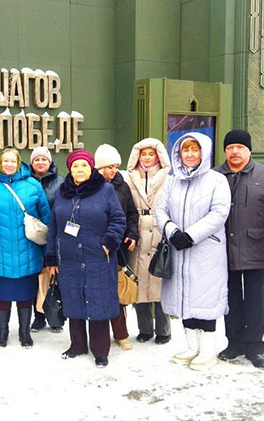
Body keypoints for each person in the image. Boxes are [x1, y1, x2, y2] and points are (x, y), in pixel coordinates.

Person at [155, 132, 230, 371]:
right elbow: (161, 210)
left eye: (194, 150)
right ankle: (191, 346)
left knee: (205, 298)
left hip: (205, 251)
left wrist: (191, 234)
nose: (189, 155)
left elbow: (219, 212)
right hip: (178, 248)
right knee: (183, 295)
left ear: (203, 153)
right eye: (185, 150)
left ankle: (207, 350)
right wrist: (172, 231)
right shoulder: (172, 180)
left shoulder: (216, 181)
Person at [213, 130, 264, 369]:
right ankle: (233, 343)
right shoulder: (215, 176)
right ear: (225, 151)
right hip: (223, 249)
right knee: (230, 298)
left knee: (256, 299)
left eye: (240, 147)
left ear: (249, 150)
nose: (235, 152)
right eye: (230, 147)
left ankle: (255, 347)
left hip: (257, 249)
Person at [45, 150, 126, 367]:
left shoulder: (105, 190)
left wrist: (109, 242)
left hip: (98, 256)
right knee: (74, 301)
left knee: (98, 302)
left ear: (91, 168)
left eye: (84, 165)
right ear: (70, 169)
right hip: (69, 259)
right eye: (75, 166)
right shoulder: (63, 192)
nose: (80, 169)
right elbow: (54, 226)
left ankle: (100, 351)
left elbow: (118, 219)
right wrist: (52, 257)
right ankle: (77, 345)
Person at [0, 148, 51, 348]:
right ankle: (2, 332)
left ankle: (24, 332)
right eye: (5, 161)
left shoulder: (33, 185)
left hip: (28, 249)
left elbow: (47, 218)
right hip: (0, 250)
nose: (9, 164)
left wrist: (49, 251)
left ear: (19, 162)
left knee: (26, 294)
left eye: (12, 161)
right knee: (2, 295)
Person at [123, 138, 172, 345]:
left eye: (151, 153)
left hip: (160, 232)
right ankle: (144, 329)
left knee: (159, 283)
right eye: (143, 154)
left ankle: (163, 330)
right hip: (138, 235)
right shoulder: (129, 178)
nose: (147, 157)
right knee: (138, 283)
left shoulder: (168, 178)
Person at [94, 144, 140, 351]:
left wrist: (132, 234)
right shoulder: (90, 185)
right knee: (97, 292)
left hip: (118, 247)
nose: (113, 171)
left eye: (115, 166)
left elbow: (132, 213)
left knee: (118, 291)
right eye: (109, 167)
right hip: (94, 248)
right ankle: (98, 335)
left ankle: (121, 334)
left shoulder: (122, 186)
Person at [29, 145, 65, 333]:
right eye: (37, 159)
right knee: (36, 277)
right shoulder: (26, 181)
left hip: (54, 236)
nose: (40, 162)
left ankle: (55, 316)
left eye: (44, 159)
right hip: (32, 237)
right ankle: (38, 317)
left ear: (50, 162)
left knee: (53, 276)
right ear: (32, 163)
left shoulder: (61, 182)